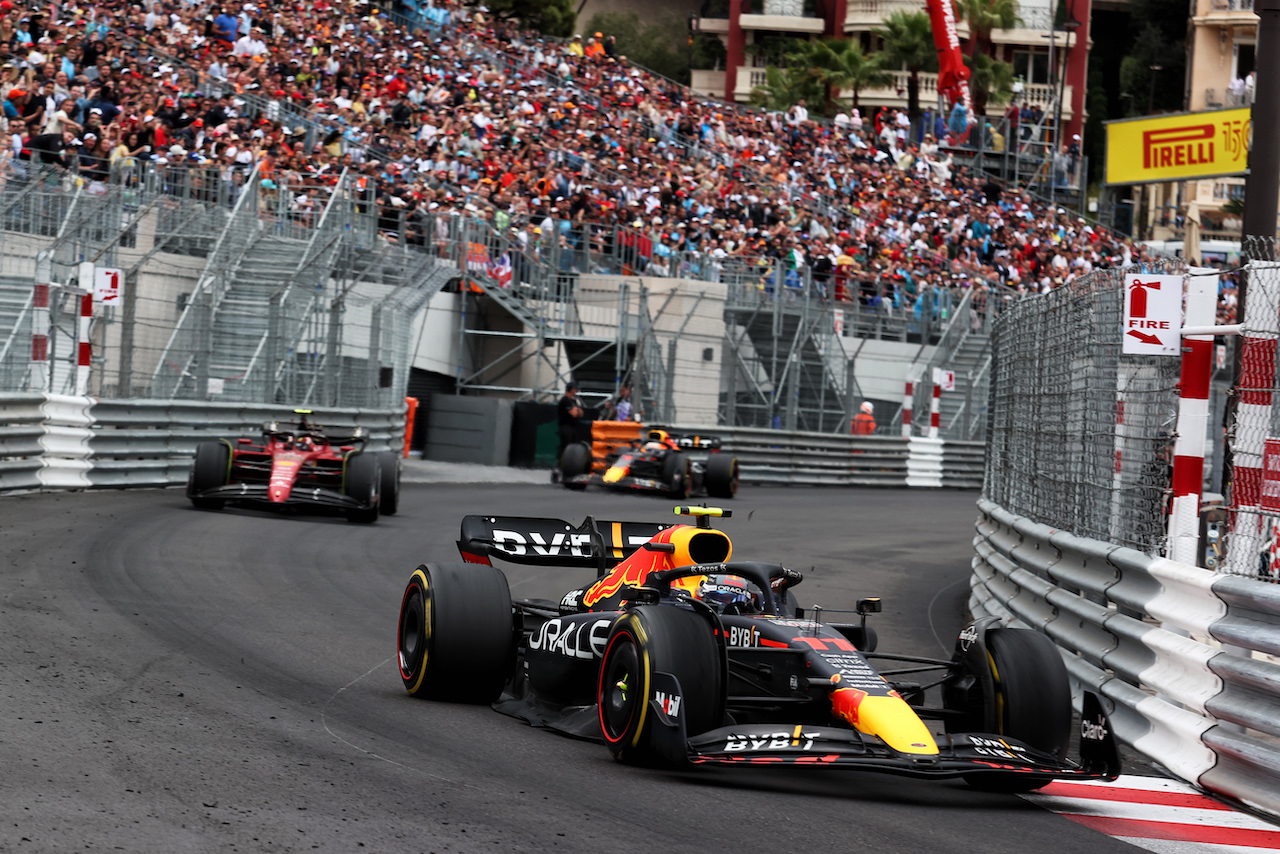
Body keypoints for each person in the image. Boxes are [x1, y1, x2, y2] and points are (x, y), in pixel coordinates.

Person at [556, 380, 583, 467]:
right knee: (565, 447)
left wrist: (577, 409)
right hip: (565, 427)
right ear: (571, 390)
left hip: (573, 427)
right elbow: (574, 413)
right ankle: (560, 465)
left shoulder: (574, 401)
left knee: (571, 448)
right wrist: (576, 410)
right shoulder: (565, 400)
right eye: (575, 389)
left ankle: (568, 465)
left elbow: (581, 413)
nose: (576, 391)